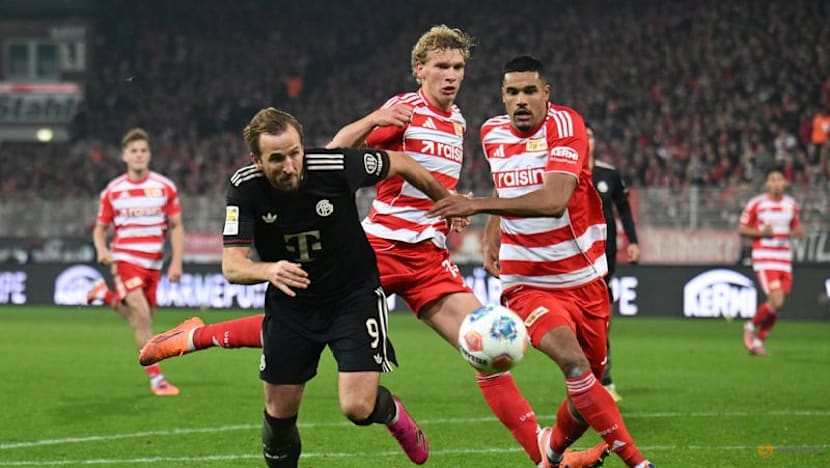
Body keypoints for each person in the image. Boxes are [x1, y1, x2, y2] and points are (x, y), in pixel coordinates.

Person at [141, 26, 548, 466]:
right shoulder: (403, 111)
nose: (450, 76)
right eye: (441, 67)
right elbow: (334, 156)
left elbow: (425, 177)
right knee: (303, 319)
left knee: (483, 346)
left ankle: (545, 454)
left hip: (429, 256)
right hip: (381, 249)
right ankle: (198, 336)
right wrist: (375, 120)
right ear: (419, 70)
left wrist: (449, 205)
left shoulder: (459, 120)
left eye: (458, 67)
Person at [427, 55, 654, 468]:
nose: (521, 100)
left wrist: (476, 205)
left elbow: (552, 202)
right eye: (512, 92)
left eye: (530, 90)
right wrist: (494, 231)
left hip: (584, 279)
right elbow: (505, 182)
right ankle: (639, 462)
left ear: (546, 93)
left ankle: (550, 455)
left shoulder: (567, 126)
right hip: (527, 281)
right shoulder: (491, 132)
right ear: (502, 96)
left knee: (584, 397)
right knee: (573, 361)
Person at [225, 107, 457, 467]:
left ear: (303, 147)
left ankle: (392, 413)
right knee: (279, 413)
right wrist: (269, 270)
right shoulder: (245, 187)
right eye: (276, 159)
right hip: (292, 305)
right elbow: (232, 265)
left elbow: (401, 162)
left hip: (353, 298)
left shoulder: (333, 166)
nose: (289, 166)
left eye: (294, 153)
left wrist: (445, 201)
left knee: (357, 408)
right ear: (256, 159)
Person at [84, 128, 185, 396]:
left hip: (154, 264)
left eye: (143, 151)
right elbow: (99, 228)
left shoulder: (164, 187)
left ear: (149, 155)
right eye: (133, 151)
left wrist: (176, 262)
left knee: (141, 322)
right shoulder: (114, 191)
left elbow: (176, 226)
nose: (139, 155)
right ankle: (157, 380)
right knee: (141, 317)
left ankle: (105, 296)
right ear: (124, 156)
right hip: (126, 260)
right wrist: (102, 248)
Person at [587, 125, 640, 403]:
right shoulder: (561, 172)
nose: (586, 140)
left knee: (601, 318)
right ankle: (583, 378)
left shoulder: (608, 174)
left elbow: (624, 209)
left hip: (603, 258)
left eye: (591, 135)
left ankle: (604, 379)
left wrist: (632, 239)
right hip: (570, 258)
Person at [739, 166, 805, 356]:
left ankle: (759, 342)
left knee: (778, 304)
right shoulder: (757, 204)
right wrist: (761, 233)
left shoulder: (791, 205)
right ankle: (750, 328)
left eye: (779, 180)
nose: (776, 183)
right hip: (765, 257)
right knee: (776, 300)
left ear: (785, 183)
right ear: (767, 184)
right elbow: (742, 229)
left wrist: (798, 232)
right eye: (773, 180)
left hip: (784, 258)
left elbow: (794, 227)